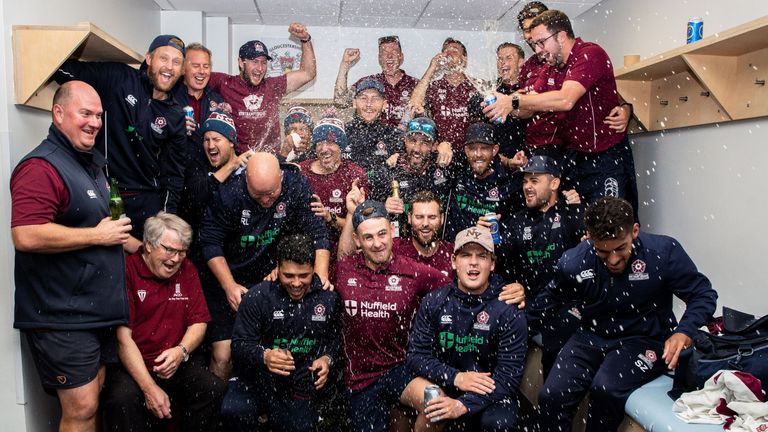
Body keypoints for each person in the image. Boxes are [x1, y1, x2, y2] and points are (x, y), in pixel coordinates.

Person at [530, 197, 718, 431]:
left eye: (620, 248)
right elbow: (547, 301)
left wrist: (684, 331)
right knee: (551, 396)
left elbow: (703, 294)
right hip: (591, 335)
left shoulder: (662, 252)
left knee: (605, 389)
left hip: (644, 339)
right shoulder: (574, 262)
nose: (613, 260)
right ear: (589, 237)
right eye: (603, 251)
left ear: (635, 231)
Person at [11, 81, 132, 432]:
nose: (95, 122)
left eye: (98, 115)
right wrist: (97, 235)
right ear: (59, 113)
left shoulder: (87, 163)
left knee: (92, 403)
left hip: (91, 315)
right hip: (62, 316)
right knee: (81, 409)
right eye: (85, 113)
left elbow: (99, 227)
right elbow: (26, 234)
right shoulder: (41, 167)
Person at [484, 10, 638, 210]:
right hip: (575, 157)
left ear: (561, 36)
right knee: (579, 223)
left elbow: (566, 99)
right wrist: (503, 104)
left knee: (610, 224)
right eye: (534, 44)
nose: (537, 49)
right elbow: (528, 107)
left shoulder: (589, 54)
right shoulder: (552, 68)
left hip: (606, 155)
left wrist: (513, 102)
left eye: (541, 42)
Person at [199, 152, 330, 380]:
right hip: (229, 275)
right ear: (246, 181)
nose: (267, 201)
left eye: (271, 194)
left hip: (272, 277)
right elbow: (210, 242)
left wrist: (317, 281)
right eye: (258, 195)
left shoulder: (296, 184)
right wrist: (229, 285)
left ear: (281, 177)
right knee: (224, 356)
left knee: (275, 352)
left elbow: (316, 233)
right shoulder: (230, 193)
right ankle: (219, 407)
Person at [53, 35, 188, 245]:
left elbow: (174, 172)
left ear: (181, 71)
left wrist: (166, 215)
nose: (169, 67)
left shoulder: (176, 114)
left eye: (176, 62)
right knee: (111, 264)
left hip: (147, 202)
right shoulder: (119, 78)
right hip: (106, 193)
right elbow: (64, 71)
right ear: (149, 59)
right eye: (164, 58)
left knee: (147, 267)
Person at [333, 199, 453, 432]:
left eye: (382, 234)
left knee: (437, 405)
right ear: (358, 240)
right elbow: (317, 274)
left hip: (401, 368)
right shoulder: (345, 268)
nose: (377, 243)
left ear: (392, 232)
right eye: (368, 237)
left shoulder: (413, 271)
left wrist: (501, 288)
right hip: (360, 378)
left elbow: (457, 289)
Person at [101, 212, 225, 432]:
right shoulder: (126, 271)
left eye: (181, 252)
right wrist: (149, 388)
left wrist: (181, 351)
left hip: (175, 360)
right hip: (135, 365)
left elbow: (199, 322)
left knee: (211, 388)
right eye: (169, 250)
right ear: (148, 245)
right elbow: (122, 339)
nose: (176, 259)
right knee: (122, 400)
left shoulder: (187, 270)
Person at [403, 227, 528, 431]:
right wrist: (456, 377)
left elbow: (508, 378)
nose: (473, 262)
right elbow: (417, 356)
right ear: (454, 261)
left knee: (500, 423)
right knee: (434, 407)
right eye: (465, 255)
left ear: (492, 264)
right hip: (445, 385)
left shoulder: (509, 310)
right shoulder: (434, 302)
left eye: (482, 256)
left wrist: (463, 405)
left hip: (490, 396)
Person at [221, 234, 343, 431]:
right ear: (278, 268)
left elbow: (336, 341)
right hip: (256, 379)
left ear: (313, 268)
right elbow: (239, 346)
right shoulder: (259, 296)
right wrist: (264, 355)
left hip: (301, 382)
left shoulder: (328, 298)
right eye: (288, 275)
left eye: (304, 275)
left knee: (299, 426)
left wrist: (327, 359)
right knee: (234, 410)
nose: (296, 283)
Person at [480, 155, 584, 375]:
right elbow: (499, 264)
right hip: (530, 303)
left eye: (534, 181)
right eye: (525, 180)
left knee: (558, 337)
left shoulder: (574, 216)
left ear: (554, 183)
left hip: (567, 304)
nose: (527, 186)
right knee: (489, 328)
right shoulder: (517, 221)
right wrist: (483, 238)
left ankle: (551, 402)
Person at [208, 23, 316, 154]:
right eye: (255, 61)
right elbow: (193, 75)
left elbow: (308, 73)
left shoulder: (274, 86)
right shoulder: (224, 83)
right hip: (238, 164)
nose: (260, 68)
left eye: (264, 62)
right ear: (241, 62)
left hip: (269, 163)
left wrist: (306, 40)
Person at [298, 115, 368, 265]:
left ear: (341, 146)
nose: (324, 149)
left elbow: (363, 227)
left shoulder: (354, 175)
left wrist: (330, 217)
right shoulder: (301, 171)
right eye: (319, 143)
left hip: (343, 253)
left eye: (330, 142)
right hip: (305, 254)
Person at [442, 122, 527, 241]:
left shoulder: (509, 183)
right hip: (456, 250)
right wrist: (444, 145)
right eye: (472, 148)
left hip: (493, 253)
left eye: (484, 148)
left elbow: (517, 231)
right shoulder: (457, 170)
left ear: (494, 150)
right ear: (466, 150)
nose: (478, 154)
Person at [368, 117, 454, 233]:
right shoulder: (389, 170)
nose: (417, 149)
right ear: (405, 141)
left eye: (425, 142)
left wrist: (447, 145)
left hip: (435, 244)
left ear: (434, 146)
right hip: (399, 245)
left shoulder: (444, 166)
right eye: (412, 141)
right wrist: (382, 208)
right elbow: (368, 213)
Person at [334, 35, 419, 128]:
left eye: (394, 52)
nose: (389, 55)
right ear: (379, 58)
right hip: (370, 139)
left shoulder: (415, 85)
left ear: (401, 57)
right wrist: (345, 64)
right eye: (384, 52)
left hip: (406, 140)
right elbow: (340, 101)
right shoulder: (368, 83)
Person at [410, 38, 478, 152]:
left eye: (454, 50)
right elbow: (414, 104)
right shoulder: (434, 87)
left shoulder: (476, 87)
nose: (448, 54)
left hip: (472, 155)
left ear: (464, 60)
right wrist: (432, 68)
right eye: (445, 51)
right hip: (440, 153)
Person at [468, 42, 527, 164]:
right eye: (500, 59)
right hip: (496, 160)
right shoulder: (491, 89)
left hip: (526, 157)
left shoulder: (529, 88)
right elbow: (472, 107)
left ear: (521, 62)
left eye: (508, 58)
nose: (502, 62)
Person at [344, 78, 404, 172]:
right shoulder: (342, 133)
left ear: (384, 105)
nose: (369, 104)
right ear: (354, 103)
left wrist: (398, 157)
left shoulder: (394, 136)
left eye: (375, 99)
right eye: (363, 98)